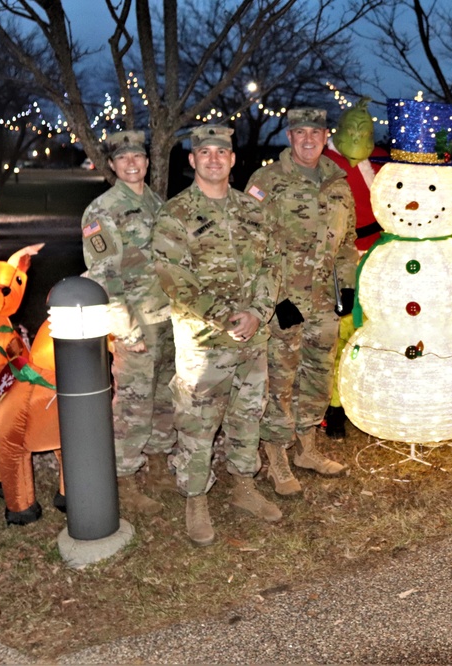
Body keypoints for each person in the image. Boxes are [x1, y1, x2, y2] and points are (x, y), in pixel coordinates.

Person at [152, 124, 283, 547]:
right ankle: (196, 499)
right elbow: (174, 277)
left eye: (220, 153)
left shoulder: (253, 210)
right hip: (204, 344)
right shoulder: (175, 215)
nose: (213, 159)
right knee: (197, 422)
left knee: (248, 415)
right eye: (204, 152)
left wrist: (258, 313)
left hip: (252, 339)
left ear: (232, 160)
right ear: (192, 161)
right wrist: (229, 317)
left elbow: (272, 266)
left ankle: (244, 484)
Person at [245, 108, 358, 496]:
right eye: (299, 132)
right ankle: (276, 455)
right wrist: (274, 300)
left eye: (316, 131)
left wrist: (346, 288)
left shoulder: (338, 182)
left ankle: (306, 447)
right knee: (281, 379)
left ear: (326, 135)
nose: (308, 139)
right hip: (285, 303)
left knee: (317, 376)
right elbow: (250, 245)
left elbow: (347, 243)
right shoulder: (267, 181)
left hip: (324, 302)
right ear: (289, 137)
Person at [80, 129, 175, 516]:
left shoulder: (157, 203)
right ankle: (124, 478)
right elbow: (102, 275)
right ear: (113, 165)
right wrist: (126, 327)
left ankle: (156, 467)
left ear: (148, 162)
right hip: (137, 322)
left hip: (168, 316)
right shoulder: (101, 211)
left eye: (138, 157)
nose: (132, 163)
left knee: (165, 398)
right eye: (123, 159)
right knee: (133, 405)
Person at [320, 97, 389, 439]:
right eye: (354, 130)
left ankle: (368, 399)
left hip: (375, 257)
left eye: (366, 131)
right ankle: (333, 408)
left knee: (371, 329)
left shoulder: (377, 164)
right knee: (340, 330)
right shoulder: (324, 165)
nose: (360, 136)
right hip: (340, 261)